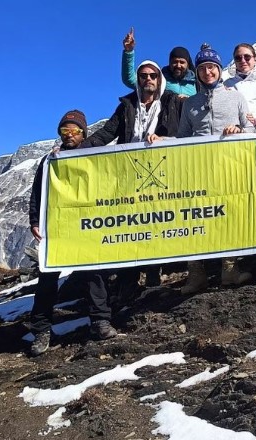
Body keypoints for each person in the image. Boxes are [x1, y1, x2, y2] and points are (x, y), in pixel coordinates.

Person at [86, 60, 183, 291]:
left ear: (159, 79)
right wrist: (77, 150)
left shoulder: (171, 102)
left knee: (156, 219)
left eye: (152, 75)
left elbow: (181, 132)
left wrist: (163, 139)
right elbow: (108, 132)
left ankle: (153, 269)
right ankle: (128, 277)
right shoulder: (127, 105)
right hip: (129, 171)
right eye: (143, 76)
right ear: (138, 80)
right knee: (132, 223)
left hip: (161, 169)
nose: (148, 79)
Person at [27, 110, 118, 356]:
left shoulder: (95, 158)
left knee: (94, 272)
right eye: (64, 131)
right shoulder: (50, 161)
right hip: (56, 228)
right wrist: (35, 220)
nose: (69, 135)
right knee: (47, 277)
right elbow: (38, 193)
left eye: (74, 130)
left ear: (83, 134)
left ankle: (100, 321)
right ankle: (42, 330)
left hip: (87, 226)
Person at [176, 44, 255, 295]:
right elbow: (182, 137)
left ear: (219, 70)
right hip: (199, 169)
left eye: (212, 67)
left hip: (229, 167)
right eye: (202, 68)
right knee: (195, 217)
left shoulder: (235, 97)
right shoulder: (190, 104)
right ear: (197, 73)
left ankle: (229, 271)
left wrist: (240, 131)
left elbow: (252, 130)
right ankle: (196, 274)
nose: (208, 72)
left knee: (228, 215)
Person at [121, 28, 196, 97]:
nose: (178, 65)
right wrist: (129, 51)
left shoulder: (197, 82)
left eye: (182, 62)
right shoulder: (159, 79)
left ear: (188, 64)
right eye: (175, 62)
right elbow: (130, 79)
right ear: (169, 63)